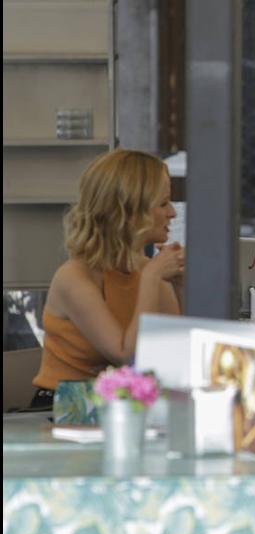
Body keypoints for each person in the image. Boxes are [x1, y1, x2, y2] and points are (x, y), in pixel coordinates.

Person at [32, 149, 183, 406]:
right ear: (130, 213)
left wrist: (180, 283)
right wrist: (151, 278)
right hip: (64, 409)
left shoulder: (151, 270)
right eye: (162, 203)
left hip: (127, 405)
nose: (172, 213)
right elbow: (127, 355)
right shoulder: (73, 277)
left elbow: (176, 352)